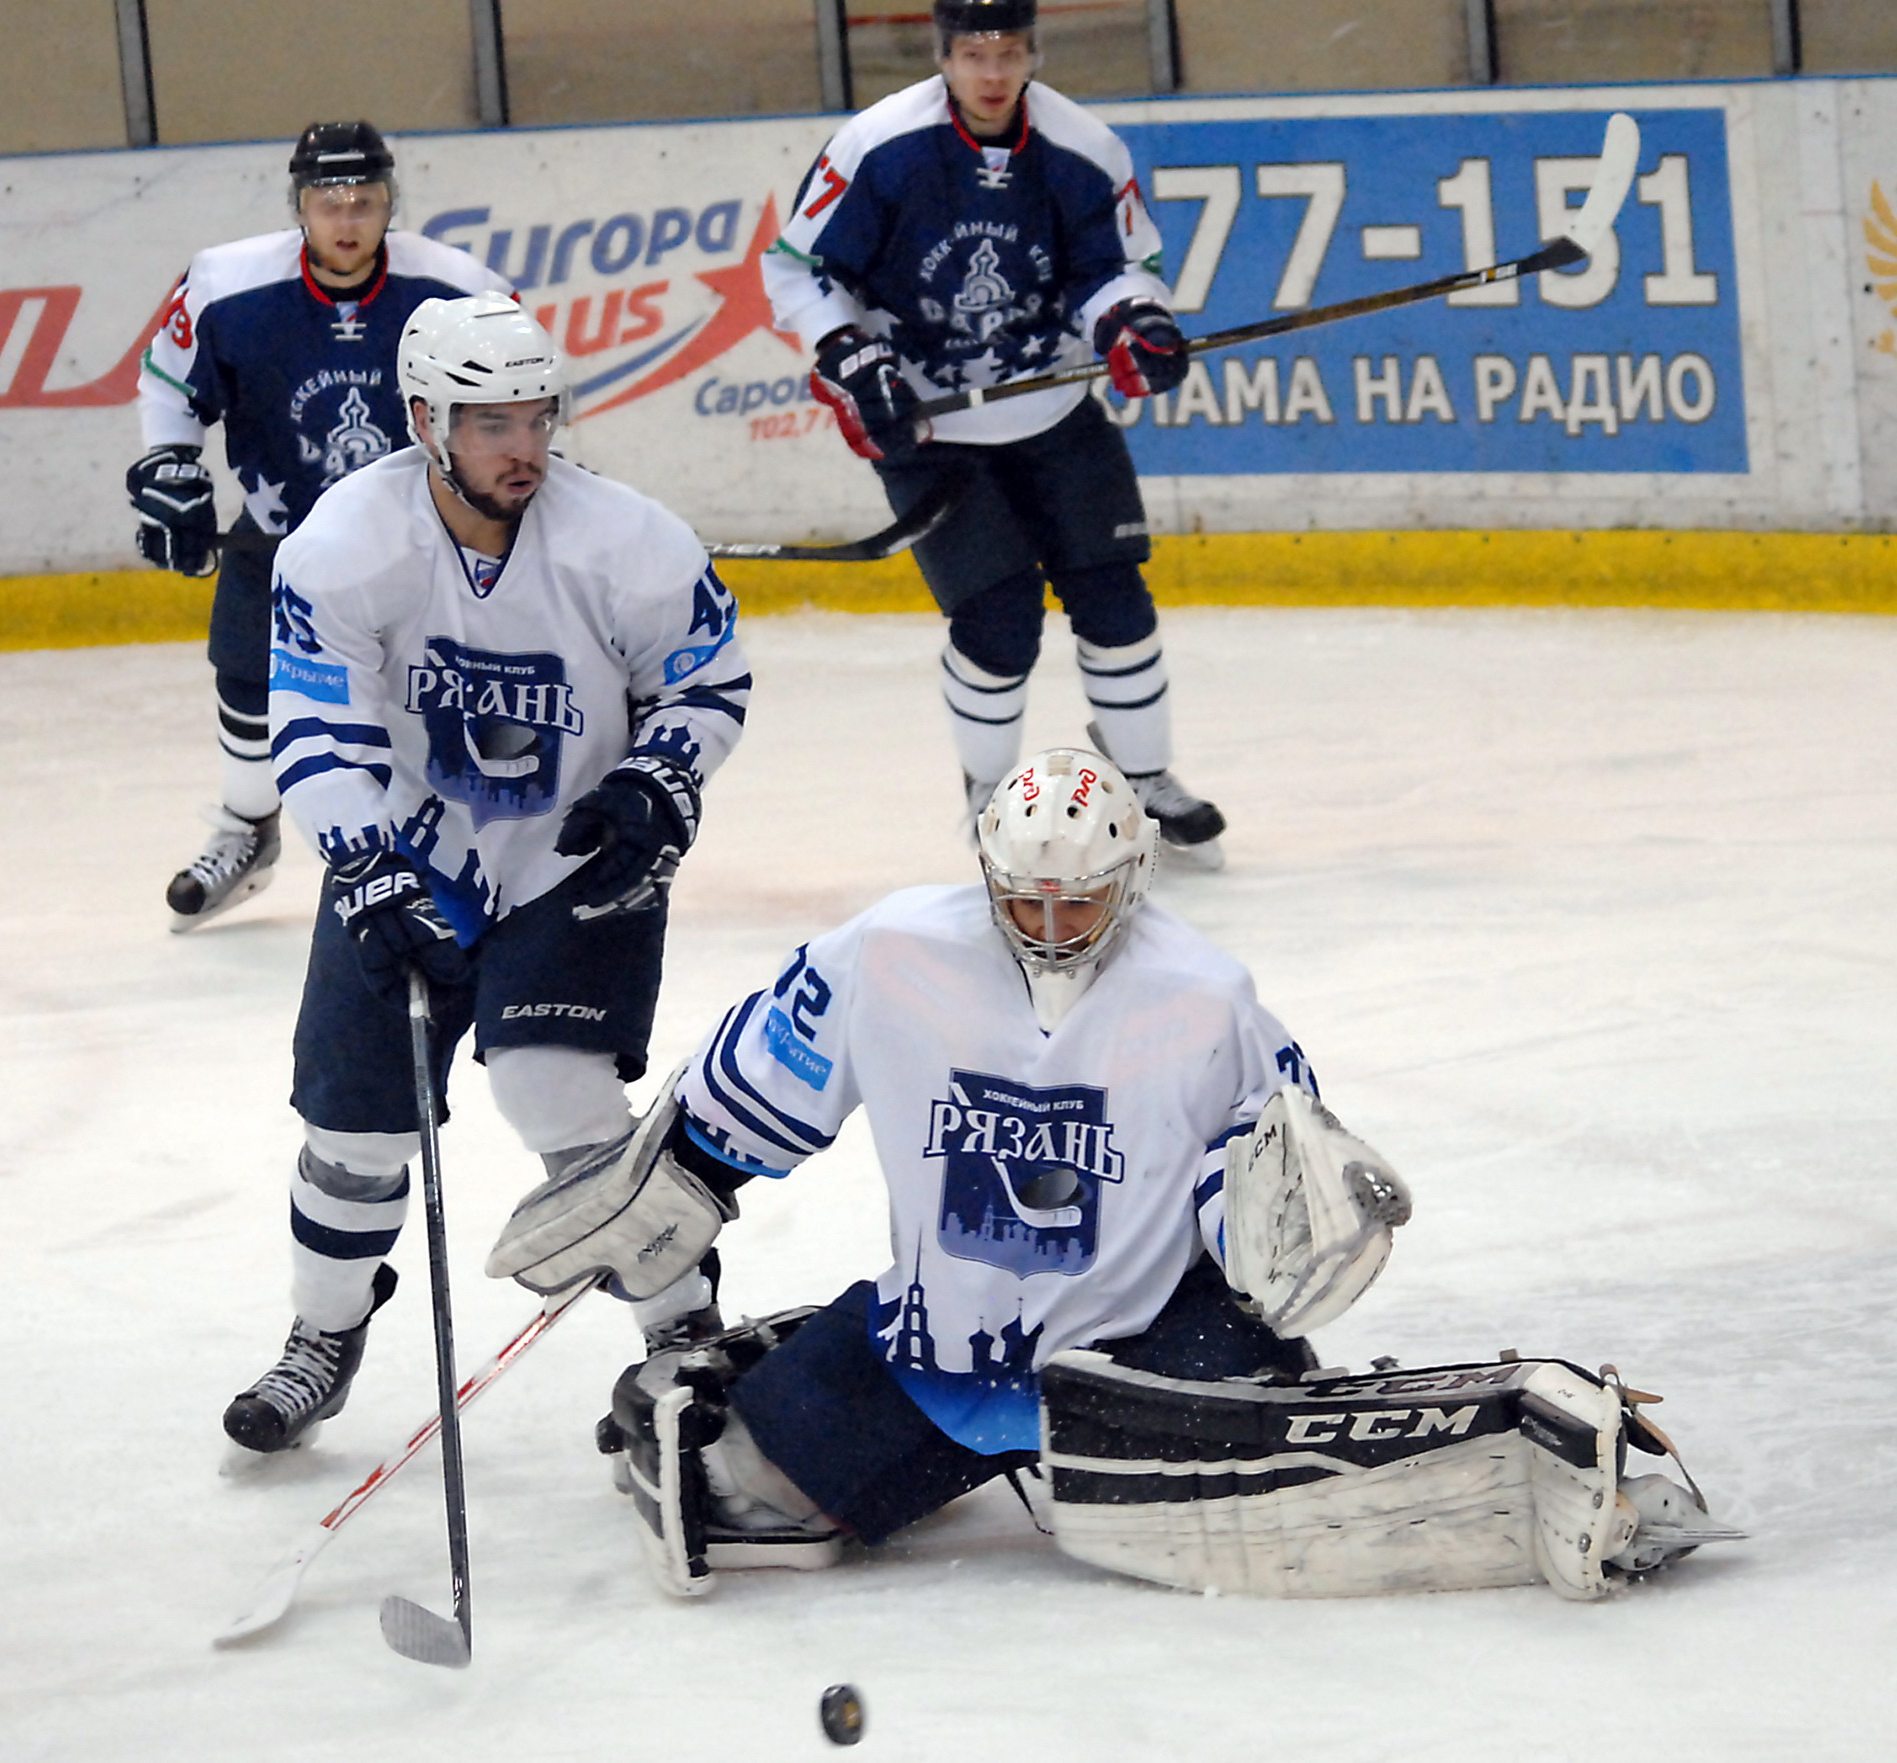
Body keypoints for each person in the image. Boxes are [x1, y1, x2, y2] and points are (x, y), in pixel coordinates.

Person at [488, 748, 1738, 1599]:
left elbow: (1259, 1188)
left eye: (1074, 903)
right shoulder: (888, 954)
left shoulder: (1204, 996)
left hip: (1144, 1347)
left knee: (1293, 1495)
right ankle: (793, 1363)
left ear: (1127, 878)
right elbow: (758, 1087)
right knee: (730, 1501)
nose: (1045, 927)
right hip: (942, 1354)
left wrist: (1295, 1232)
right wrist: (677, 1176)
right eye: (1023, 901)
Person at [217, 294, 752, 1457]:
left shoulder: (626, 539)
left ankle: (683, 1328)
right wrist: (367, 872)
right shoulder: (345, 544)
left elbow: (707, 683)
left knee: (557, 1093)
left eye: (537, 415)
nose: (524, 445)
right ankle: (324, 1333)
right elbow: (313, 730)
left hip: (577, 860)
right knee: (357, 1128)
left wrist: (658, 778)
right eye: (491, 422)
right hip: (413, 853)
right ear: (425, 420)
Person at [762, 0, 1226, 862]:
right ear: (942, 56)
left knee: (1116, 597)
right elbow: (797, 271)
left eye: (1008, 52)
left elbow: (1115, 268)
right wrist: (852, 359)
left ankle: (1148, 778)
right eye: (972, 54)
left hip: (1051, 408)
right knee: (998, 621)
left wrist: (1133, 324)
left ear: (1032, 54)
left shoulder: (1083, 149)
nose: (991, 73)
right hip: (931, 424)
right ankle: (987, 792)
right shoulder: (879, 148)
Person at [132, 120, 514, 931]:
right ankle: (247, 831)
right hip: (281, 531)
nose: (346, 221)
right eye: (327, 202)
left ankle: (467, 843)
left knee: (443, 690)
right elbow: (169, 386)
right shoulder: (223, 284)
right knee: (247, 679)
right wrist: (171, 467)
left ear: (390, 203)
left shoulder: (457, 286)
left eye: (365, 201)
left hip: (419, 541)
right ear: (299, 205)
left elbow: (514, 399)